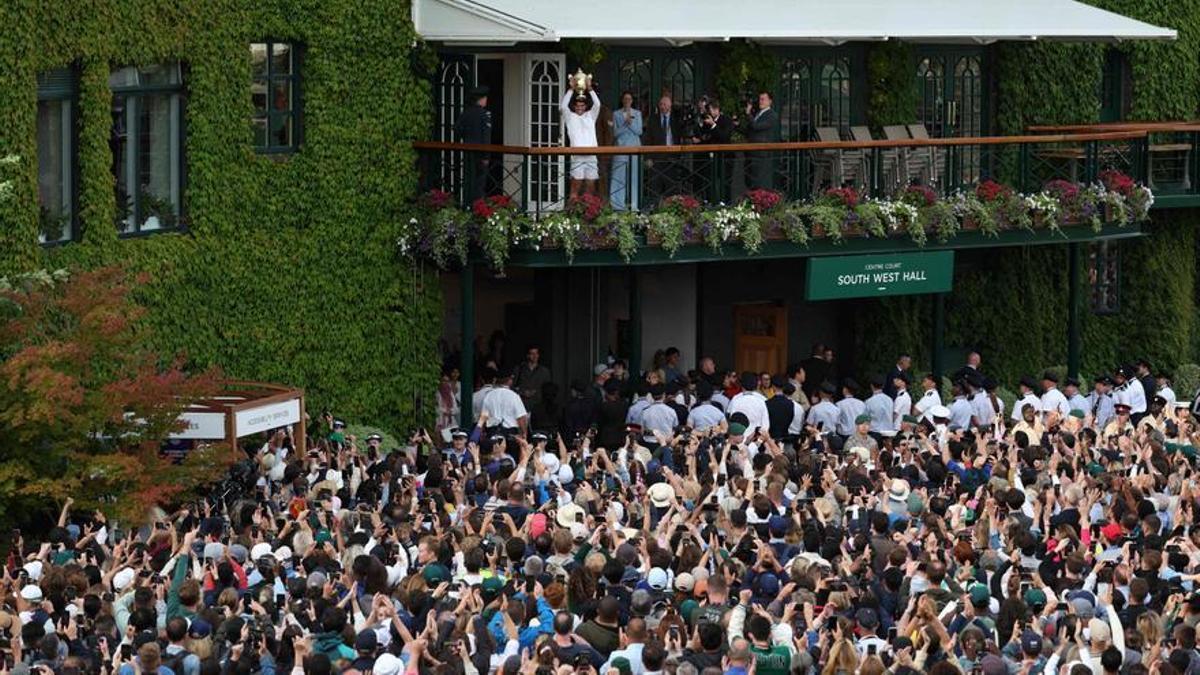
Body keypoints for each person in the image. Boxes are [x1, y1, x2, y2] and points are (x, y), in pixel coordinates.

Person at [561, 83, 603, 199]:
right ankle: (570, 215)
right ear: (574, 107)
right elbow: (563, 106)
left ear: (585, 106)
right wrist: (571, 89)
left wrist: (590, 89)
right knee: (575, 189)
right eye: (577, 106)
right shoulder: (570, 117)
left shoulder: (590, 116)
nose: (580, 108)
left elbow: (598, 104)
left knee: (590, 190)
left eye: (582, 105)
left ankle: (589, 215)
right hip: (577, 157)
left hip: (591, 157)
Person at [455, 85, 492, 203]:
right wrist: (486, 156)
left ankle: (467, 205)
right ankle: (477, 208)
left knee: (468, 181)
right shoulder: (484, 114)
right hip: (480, 154)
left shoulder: (466, 113)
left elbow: (457, 130)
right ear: (481, 99)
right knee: (479, 184)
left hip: (467, 152)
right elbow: (486, 136)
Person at [645, 94, 684, 201]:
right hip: (656, 158)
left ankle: (671, 211)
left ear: (670, 105)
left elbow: (682, 135)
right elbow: (648, 139)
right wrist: (648, 157)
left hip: (672, 158)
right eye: (661, 104)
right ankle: (654, 210)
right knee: (654, 187)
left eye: (665, 104)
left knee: (672, 187)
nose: (662, 107)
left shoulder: (676, 119)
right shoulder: (653, 119)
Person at [610, 90, 643, 211]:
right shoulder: (616, 114)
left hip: (634, 148)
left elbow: (639, 131)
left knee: (634, 176)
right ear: (622, 100)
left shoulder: (637, 114)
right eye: (625, 99)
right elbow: (615, 133)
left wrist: (631, 124)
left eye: (629, 99)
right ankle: (617, 205)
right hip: (620, 148)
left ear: (632, 101)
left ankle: (634, 205)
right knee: (618, 176)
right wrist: (625, 124)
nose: (627, 101)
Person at [740, 90, 779, 189]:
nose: (760, 101)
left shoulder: (771, 115)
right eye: (760, 99)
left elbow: (756, 127)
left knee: (760, 182)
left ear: (770, 101)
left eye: (763, 99)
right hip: (752, 153)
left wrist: (748, 114)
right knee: (750, 181)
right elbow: (750, 131)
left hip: (762, 154)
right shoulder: (758, 114)